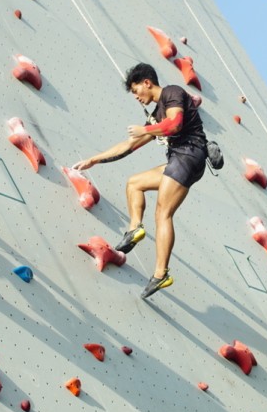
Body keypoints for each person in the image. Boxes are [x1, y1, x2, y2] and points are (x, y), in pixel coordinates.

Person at [73, 63, 208, 299]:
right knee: (134, 183)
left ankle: (160, 273)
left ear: (147, 83)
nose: (136, 97)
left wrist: (146, 130)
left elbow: (175, 124)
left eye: (136, 91)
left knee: (163, 213)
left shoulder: (172, 92)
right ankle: (134, 229)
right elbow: (129, 145)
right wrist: (94, 159)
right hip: (178, 160)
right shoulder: (157, 115)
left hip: (190, 155)